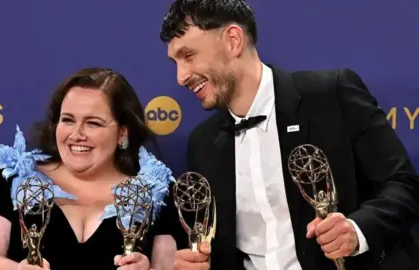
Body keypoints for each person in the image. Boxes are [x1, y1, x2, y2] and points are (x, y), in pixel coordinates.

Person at [159, 0, 419, 269]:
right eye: (175, 62)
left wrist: (357, 230)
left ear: (233, 41)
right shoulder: (202, 143)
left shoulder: (331, 96)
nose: (181, 77)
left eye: (189, 56)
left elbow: (404, 184)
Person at [0, 68, 187, 270]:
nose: (76, 135)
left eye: (93, 123)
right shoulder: (13, 180)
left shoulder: (158, 198)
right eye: (68, 120)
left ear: (122, 133)